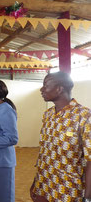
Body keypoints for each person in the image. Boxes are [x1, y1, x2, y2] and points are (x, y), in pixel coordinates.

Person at [30, 71, 91, 202]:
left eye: (45, 85)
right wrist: (36, 183)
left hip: (68, 191)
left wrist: (88, 198)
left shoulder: (84, 116)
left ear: (59, 89)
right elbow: (44, 153)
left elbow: (90, 160)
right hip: (44, 185)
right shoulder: (48, 115)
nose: (42, 89)